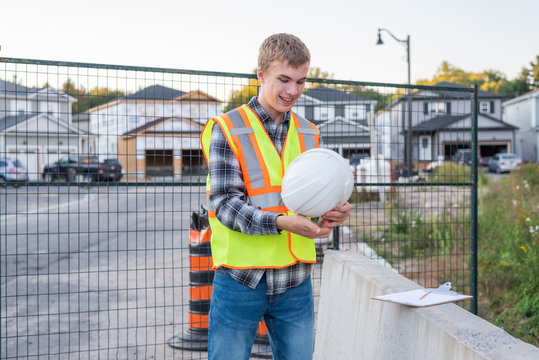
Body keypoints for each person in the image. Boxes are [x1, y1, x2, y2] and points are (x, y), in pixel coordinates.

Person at [200, 33, 352, 360]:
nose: (292, 91)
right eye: (283, 80)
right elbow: (225, 206)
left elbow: (315, 198)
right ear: (260, 75)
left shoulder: (309, 132)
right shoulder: (227, 128)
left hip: (295, 280)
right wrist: (283, 222)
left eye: (300, 81)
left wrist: (334, 212)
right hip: (241, 279)